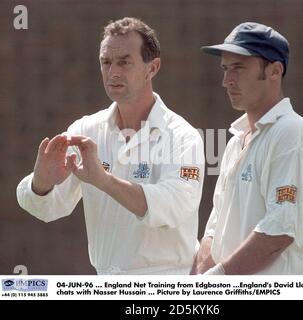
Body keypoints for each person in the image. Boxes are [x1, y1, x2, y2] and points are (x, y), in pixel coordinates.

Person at [17, 17, 205, 275]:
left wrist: (103, 181)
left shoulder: (183, 136)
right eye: (106, 62)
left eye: (124, 62)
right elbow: (49, 209)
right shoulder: (85, 130)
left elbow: (173, 207)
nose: (113, 72)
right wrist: (41, 184)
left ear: (152, 68)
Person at [191, 22, 303, 275]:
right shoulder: (235, 141)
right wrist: (203, 275)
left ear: (275, 71)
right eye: (225, 69)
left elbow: (278, 232)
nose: (226, 81)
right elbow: (215, 226)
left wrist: (218, 279)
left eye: (238, 68)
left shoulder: (291, 133)